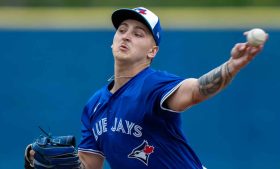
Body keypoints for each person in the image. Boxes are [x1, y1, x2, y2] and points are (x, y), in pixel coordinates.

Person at [25, 7, 267, 169]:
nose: (126, 36)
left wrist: (232, 66)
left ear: (153, 51)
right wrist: (47, 162)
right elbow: (89, 165)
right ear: (112, 42)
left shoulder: (154, 85)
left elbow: (195, 91)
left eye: (139, 33)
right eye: (122, 31)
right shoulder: (94, 105)